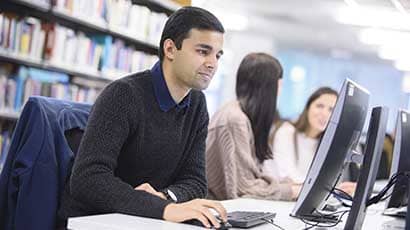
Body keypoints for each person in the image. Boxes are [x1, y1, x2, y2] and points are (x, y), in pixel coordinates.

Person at [58, 6, 227, 229]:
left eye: (217, 55)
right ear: (170, 49)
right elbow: (88, 179)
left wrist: (165, 197)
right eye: (203, 52)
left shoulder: (197, 104)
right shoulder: (123, 95)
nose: (212, 63)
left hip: (144, 219)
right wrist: (162, 208)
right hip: (94, 220)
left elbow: (195, 181)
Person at [206, 53, 300, 201]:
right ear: (267, 87)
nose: (280, 90)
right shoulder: (234, 119)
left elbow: (250, 177)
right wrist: (293, 192)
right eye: (279, 84)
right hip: (216, 212)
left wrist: (291, 185)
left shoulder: (242, 116)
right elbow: (243, 190)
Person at [263, 87, 338, 184]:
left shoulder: (326, 145)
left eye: (331, 110)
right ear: (308, 107)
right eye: (319, 106)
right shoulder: (286, 132)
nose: (324, 113)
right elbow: (286, 176)